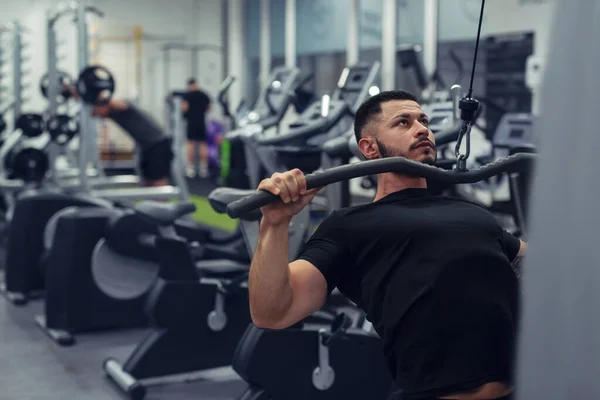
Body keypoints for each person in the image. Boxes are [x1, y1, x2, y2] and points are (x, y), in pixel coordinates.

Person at [249, 90, 527, 400]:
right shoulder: (349, 225)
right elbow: (271, 312)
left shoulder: (472, 212)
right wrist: (274, 224)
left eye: (424, 121)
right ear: (368, 147)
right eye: (403, 123)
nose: (422, 129)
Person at [181, 78, 211, 178]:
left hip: (191, 123)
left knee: (190, 144)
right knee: (203, 144)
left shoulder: (188, 95)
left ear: (190, 85)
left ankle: (191, 168)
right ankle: (204, 168)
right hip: (201, 122)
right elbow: (209, 108)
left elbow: (184, 108)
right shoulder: (203, 95)